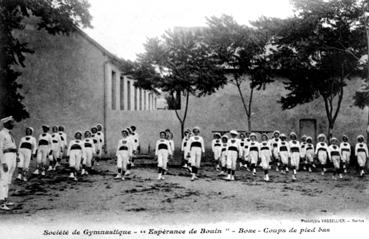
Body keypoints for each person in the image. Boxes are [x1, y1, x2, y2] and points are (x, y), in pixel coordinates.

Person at [0, 116, 17, 210]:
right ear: (6, 123)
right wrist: (3, 162)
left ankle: (5, 199)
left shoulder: (10, 134)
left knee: (8, 180)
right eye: (11, 123)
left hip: (12, 156)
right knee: (4, 179)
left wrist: (16, 157)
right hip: (6, 157)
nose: (13, 124)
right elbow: (0, 149)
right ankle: (1, 202)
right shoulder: (2, 134)